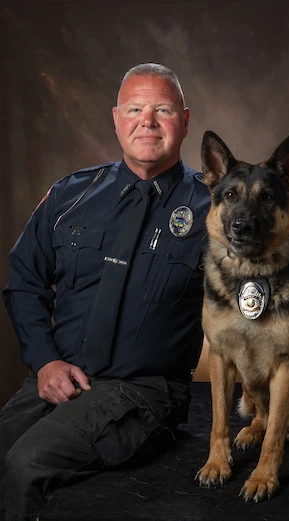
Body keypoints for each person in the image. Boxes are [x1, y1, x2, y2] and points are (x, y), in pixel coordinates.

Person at [0, 63, 210, 521]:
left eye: (163, 110)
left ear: (186, 119)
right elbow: (25, 281)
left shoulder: (214, 208)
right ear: (117, 118)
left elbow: (254, 305)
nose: (147, 122)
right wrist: (45, 361)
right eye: (135, 109)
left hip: (145, 391)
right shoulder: (70, 194)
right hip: (62, 377)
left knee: (26, 464)